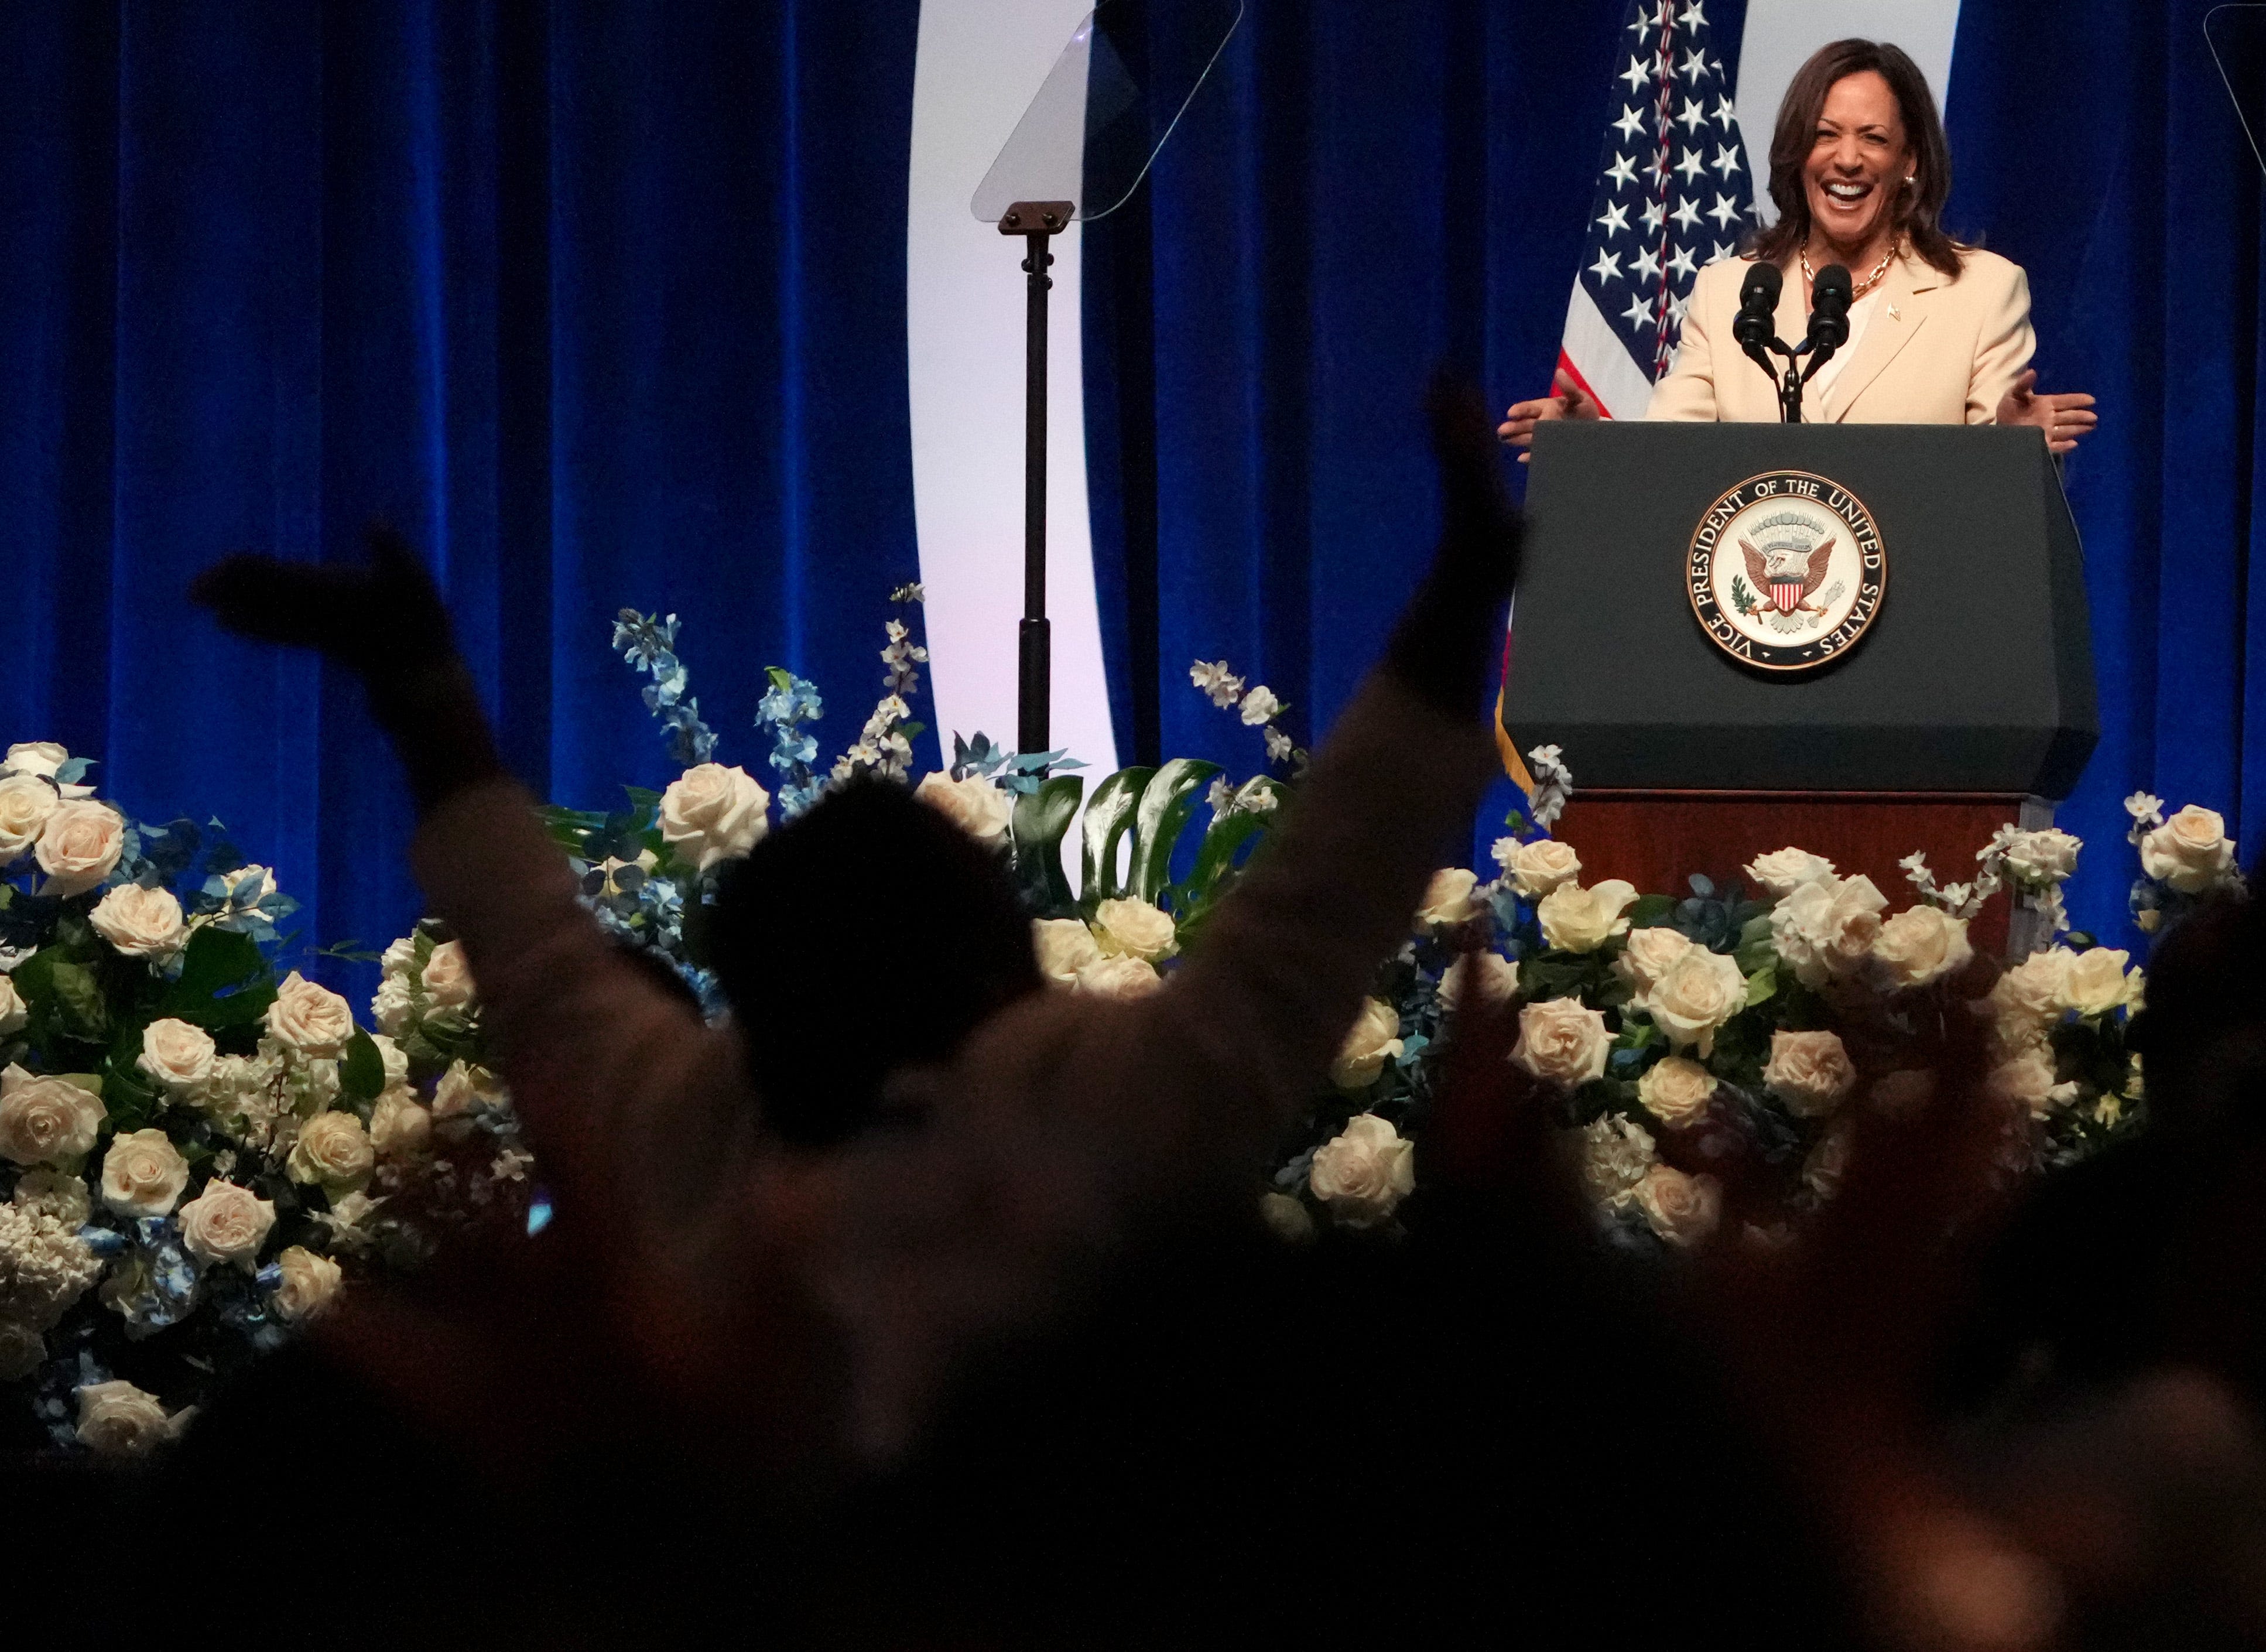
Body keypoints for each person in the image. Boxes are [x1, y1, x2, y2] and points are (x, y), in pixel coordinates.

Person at [1500, 38, 2097, 454]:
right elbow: (1672, 457)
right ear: (1797, 152)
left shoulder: (1981, 291)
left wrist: (2014, 446)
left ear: (1909, 161)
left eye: (1874, 138)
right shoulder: (1728, 292)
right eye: (1825, 135)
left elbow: (1996, 487)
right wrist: (1592, 443)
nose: (1846, 159)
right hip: (1755, 614)